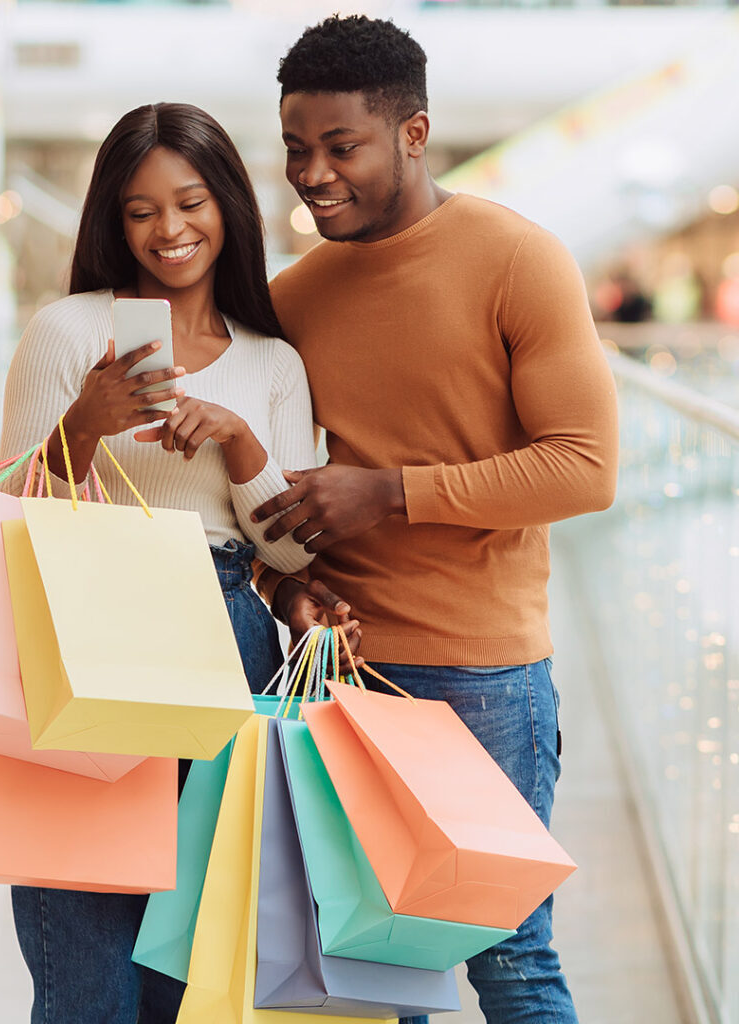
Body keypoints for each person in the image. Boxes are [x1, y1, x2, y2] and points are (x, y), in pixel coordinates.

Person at [250, 16, 618, 1024]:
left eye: (341, 146)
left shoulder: (517, 259)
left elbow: (585, 469)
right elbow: (248, 491)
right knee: (377, 968)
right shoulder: (293, 297)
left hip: (484, 675)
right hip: (342, 672)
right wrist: (285, 585)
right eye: (296, 147)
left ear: (413, 134)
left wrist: (392, 489)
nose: (312, 174)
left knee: (510, 957)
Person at [0, 101, 340, 1024]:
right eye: (141, 210)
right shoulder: (68, 332)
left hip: (229, 635)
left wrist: (237, 441)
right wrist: (84, 425)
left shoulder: (271, 359)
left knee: (199, 947)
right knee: (82, 942)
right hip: (85, 630)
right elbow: (12, 515)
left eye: (190, 203)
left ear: (227, 205)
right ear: (114, 219)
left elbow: (286, 547)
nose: (169, 231)